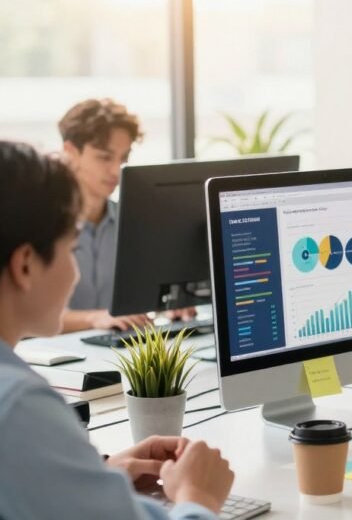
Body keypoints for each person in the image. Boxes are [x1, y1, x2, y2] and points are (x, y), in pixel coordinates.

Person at [0, 140, 234, 519]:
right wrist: (198, 497)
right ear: (25, 264)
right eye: (70, 251)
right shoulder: (20, 409)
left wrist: (92, 476)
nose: (74, 274)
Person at [58, 98, 149, 332]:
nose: (116, 170)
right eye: (104, 157)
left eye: (123, 158)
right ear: (70, 152)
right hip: (54, 358)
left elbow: (140, 300)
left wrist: (168, 308)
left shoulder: (131, 223)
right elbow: (26, 315)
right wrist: (93, 318)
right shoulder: (42, 224)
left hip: (117, 352)